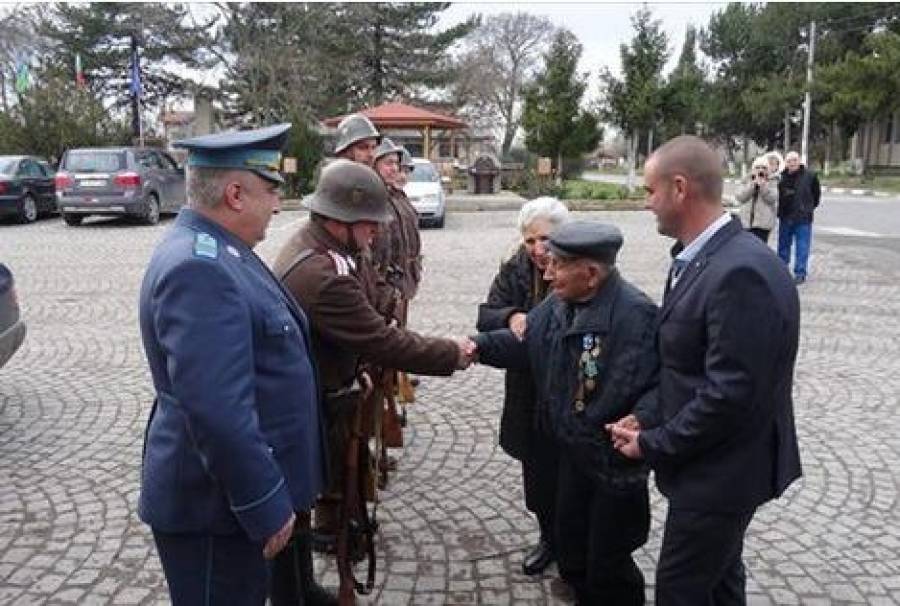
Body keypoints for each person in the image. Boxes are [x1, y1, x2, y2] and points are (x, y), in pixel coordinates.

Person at [137, 124, 329, 605]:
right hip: (215, 513)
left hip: (224, 507)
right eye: (271, 190)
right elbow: (217, 410)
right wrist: (264, 502)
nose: (278, 205)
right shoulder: (200, 267)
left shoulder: (224, 250)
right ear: (236, 194)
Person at [607, 135, 802, 605]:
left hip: (722, 475)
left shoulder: (740, 273)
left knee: (681, 592)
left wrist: (653, 443)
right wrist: (650, 416)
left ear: (679, 188)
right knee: (721, 582)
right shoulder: (699, 257)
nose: (646, 203)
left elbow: (729, 396)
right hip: (711, 465)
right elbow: (687, 367)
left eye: (650, 191)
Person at [272, 159, 472, 602]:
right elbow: (381, 340)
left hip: (329, 390)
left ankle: (302, 588)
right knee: (299, 502)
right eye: (368, 224)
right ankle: (293, 595)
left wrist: (389, 305)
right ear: (339, 220)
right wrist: (451, 353)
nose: (377, 233)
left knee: (304, 499)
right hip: (312, 404)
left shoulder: (330, 247)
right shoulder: (321, 274)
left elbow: (370, 288)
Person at [472, 221, 659, 605]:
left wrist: (643, 415)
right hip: (570, 457)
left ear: (590, 274)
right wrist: (473, 348)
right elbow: (525, 343)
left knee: (608, 568)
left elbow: (664, 383)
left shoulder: (635, 315)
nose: (547, 273)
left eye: (558, 265)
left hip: (611, 468)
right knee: (572, 555)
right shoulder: (558, 304)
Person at [475, 197, 570, 577]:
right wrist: (511, 315)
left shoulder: (579, 262)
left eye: (545, 239)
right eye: (530, 240)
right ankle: (549, 538)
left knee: (570, 471)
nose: (537, 249)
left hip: (569, 388)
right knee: (537, 472)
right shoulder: (515, 267)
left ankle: (573, 542)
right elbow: (486, 314)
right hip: (527, 388)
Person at [777, 151, 821, 284]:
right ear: (785, 163)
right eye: (789, 161)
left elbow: (816, 195)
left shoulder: (810, 176)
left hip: (803, 218)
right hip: (785, 216)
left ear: (800, 161)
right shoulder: (781, 177)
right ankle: (781, 271)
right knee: (783, 245)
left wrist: (807, 208)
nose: (792, 163)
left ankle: (800, 273)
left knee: (802, 247)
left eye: (795, 160)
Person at [734, 156, 778, 243]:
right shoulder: (746, 179)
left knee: (759, 249)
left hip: (763, 225)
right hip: (746, 223)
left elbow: (772, 199)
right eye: (757, 167)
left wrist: (763, 187)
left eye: (764, 168)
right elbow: (740, 197)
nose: (760, 170)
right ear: (753, 169)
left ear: (767, 170)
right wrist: (752, 186)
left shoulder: (772, 181)